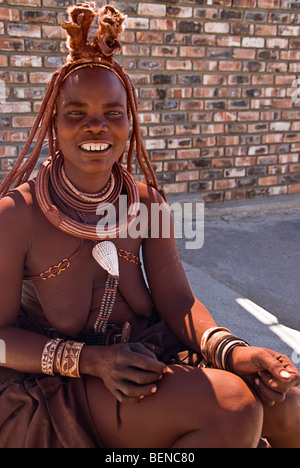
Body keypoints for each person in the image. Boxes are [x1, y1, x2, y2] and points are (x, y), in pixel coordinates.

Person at [0, 3, 299, 448]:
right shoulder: (16, 213)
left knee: (287, 400)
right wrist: (93, 361)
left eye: (112, 113)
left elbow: (177, 300)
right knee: (233, 408)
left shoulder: (146, 202)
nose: (96, 125)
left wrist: (232, 350)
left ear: (130, 123)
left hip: (142, 355)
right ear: (52, 126)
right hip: (59, 378)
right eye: (76, 113)